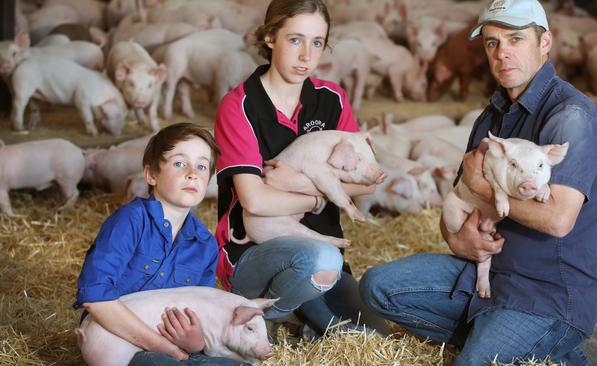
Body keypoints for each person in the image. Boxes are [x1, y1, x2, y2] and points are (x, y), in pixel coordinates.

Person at [359, 0, 597, 364]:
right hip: (487, 276)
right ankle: (530, 347)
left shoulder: (571, 118)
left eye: (515, 39)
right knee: (377, 288)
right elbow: (459, 199)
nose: (502, 53)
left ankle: (547, 338)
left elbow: (558, 219)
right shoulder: (491, 118)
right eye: (492, 43)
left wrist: (482, 187)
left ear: (545, 43)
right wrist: (460, 241)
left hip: (547, 294)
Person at [214, 0, 389, 339]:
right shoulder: (239, 106)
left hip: (327, 261)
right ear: (270, 38)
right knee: (320, 260)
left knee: (371, 337)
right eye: (295, 40)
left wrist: (298, 184)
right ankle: (266, 312)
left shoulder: (332, 99)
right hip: (255, 253)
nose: (307, 56)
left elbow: (365, 182)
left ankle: (302, 316)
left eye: (317, 42)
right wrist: (322, 196)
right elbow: (256, 202)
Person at [74, 123, 246, 366]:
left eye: (201, 166)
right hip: (116, 337)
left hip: (170, 344)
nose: (192, 173)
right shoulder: (130, 221)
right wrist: (163, 346)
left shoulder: (204, 243)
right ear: (151, 174)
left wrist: (195, 342)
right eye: (179, 163)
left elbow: (201, 306)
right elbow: (95, 296)